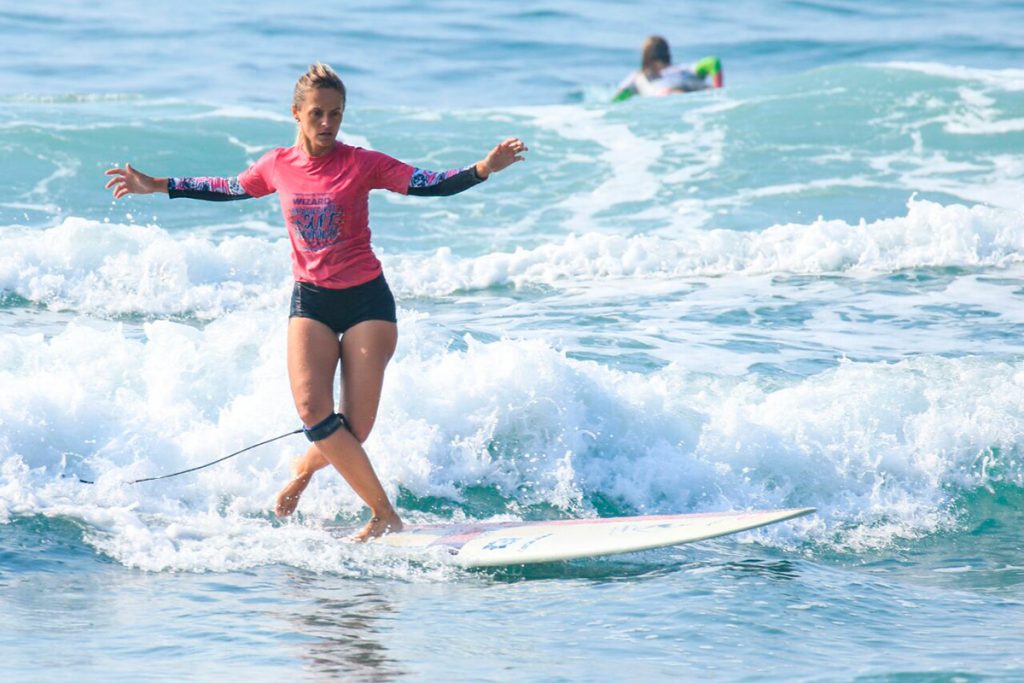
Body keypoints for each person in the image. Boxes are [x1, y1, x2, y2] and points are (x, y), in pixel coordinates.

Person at [105, 63, 528, 541]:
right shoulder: (276, 165)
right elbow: (227, 188)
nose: (327, 124)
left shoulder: (362, 162)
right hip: (312, 300)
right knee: (313, 412)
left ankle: (303, 472)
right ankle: (384, 513)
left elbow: (424, 182)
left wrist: (482, 170)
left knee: (355, 429)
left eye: (336, 114)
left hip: (367, 300)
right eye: (318, 114)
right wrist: (158, 185)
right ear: (297, 113)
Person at [612, 35, 723, 101]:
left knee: (669, 93)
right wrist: (718, 90)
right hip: (691, 88)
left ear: (645, 57)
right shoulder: (684, 69)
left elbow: (618, 99)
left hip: (666, 94)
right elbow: (713, 62)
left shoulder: (638, 77)